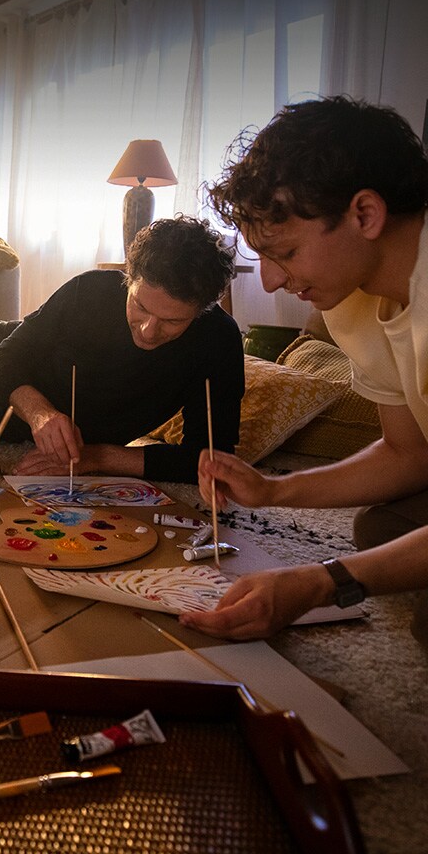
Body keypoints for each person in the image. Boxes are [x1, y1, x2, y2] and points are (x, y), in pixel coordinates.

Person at [178, 95, 428, 647]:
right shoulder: (354, 305)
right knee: (379, 528)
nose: (268, 282)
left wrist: (324, 580)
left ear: (365, 214)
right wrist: (272, 491)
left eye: (284, 251)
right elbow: (409, 453)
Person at [0, 217, 244, 481]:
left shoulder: (218, 342)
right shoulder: (89, 290)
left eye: (172, 320)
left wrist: (100, 457)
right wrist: (41, 415)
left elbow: (212, 460)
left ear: (202, 310)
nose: (149, 331)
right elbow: (4, 359)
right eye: (140, 306)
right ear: (129, 279)